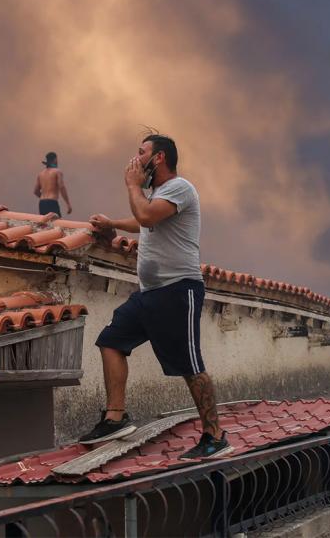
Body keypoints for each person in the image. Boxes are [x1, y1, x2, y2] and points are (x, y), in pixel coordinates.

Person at [82, 133, 232, 459]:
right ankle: (115, 418)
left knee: (190, 366)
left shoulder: (180, 188)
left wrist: (132, 185)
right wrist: (113, 225)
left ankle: (215, 436)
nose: (136, 160)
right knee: (111, 341)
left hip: (178, 290)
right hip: (149, 294)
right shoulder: (157, 195)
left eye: (141, 153)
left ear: (159, 157)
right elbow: (143, 220)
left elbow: (147, 215)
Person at [34, 152, 72, 217]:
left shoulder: (41, 174)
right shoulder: (57, 172)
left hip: (42, 203)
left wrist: (44, 198)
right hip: (52, 202)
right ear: (55, 160)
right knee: (57, 224)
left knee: (45, 225)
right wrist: (68, 204)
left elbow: (36, 191)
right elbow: (61, 187)